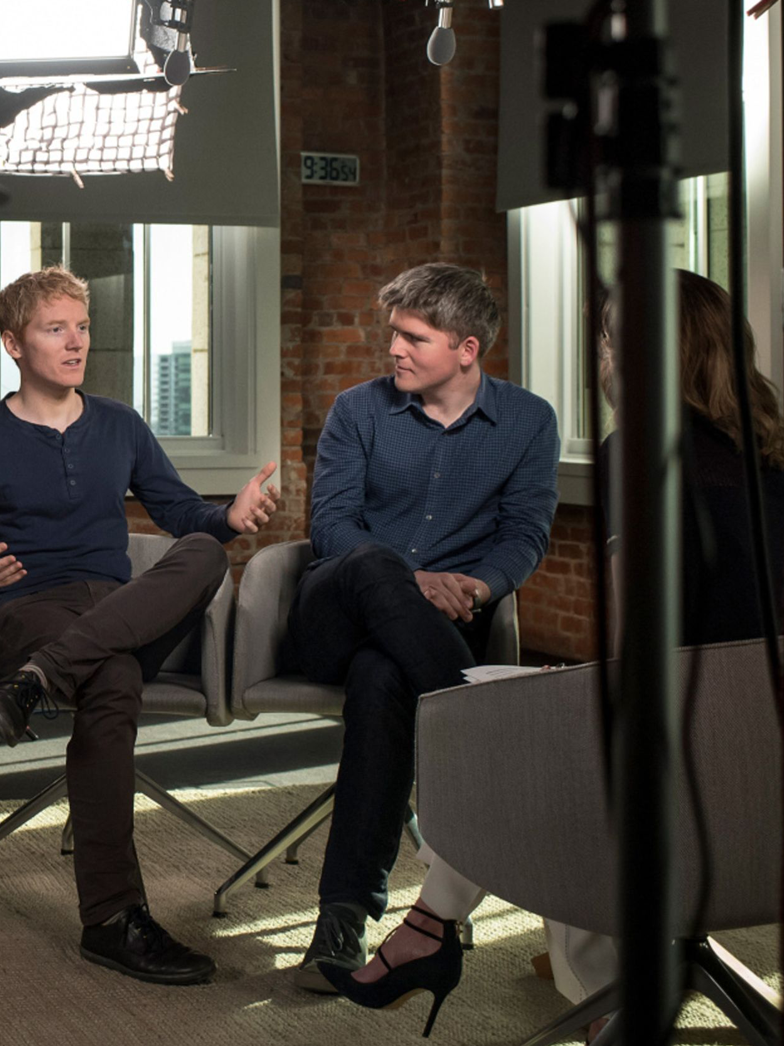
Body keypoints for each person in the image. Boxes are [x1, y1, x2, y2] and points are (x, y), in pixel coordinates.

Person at [321, 269, 784, 1039]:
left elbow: (635, 646)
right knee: (518, 716)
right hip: (777, 750)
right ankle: (438, 930)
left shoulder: (637, 449)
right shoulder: (776, 459)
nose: (601, 362)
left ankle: (573, 994)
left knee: (515, 738)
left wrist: (566, 684)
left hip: (687, 745)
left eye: (607, 344)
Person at [0, 266, 281, 986]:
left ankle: (38, 682)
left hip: (115, 605)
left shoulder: (119, 423)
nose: (75, 342)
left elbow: (183, 515)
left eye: (82, 327)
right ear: (14, 343)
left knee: (204, 554)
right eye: (54, 328)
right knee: (114, 675)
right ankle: (114, 919)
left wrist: (230, 518)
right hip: (32, 605)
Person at [287, 263, 560, 1008]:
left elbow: (525, 534)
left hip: (430, 632)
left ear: (467, 349)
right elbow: (331, 527)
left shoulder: (528, 421)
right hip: (335, 611)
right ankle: (492, 734)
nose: (395, 350)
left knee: (383, 681)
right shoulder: (357, 411)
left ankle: (341, 921)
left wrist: (473, 586)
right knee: (372, 560)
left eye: (414, 337)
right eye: (394, 334)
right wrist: (416, 579)